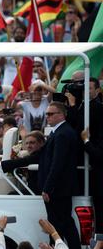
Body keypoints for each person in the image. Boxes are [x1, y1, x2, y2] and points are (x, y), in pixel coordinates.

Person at [40, 102, 80, 248]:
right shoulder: (59, 131)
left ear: (62, 115)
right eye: (47, 114)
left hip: (59, 189)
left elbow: (58, 164)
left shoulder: (63, 133)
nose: (47, 117)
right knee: (65, 224)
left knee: (59, 224)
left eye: (51, 114)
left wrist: (48, 187)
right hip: (60, 188)